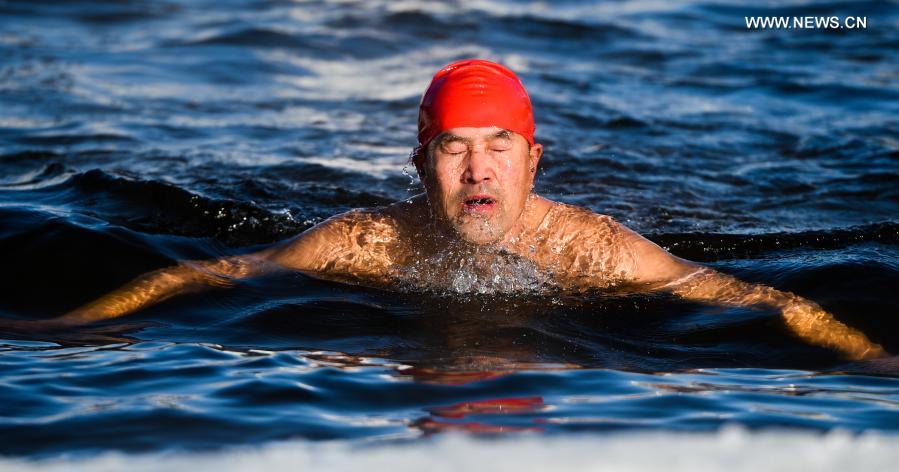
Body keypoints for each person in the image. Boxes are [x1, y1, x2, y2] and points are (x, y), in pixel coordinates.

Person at [4, 59, 887, 361]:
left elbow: (765, 300)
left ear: (532, 160)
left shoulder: (601, 253)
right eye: (453, 147)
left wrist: (868, 359)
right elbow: (213, 273)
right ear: (419, 164)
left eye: (498, 145)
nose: (477, 168)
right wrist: (75, 330)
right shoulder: (365, 240)